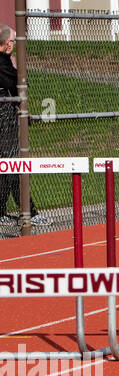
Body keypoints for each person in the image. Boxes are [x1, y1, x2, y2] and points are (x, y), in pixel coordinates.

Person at [0, 24, 47, 226]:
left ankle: (1, 210)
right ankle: (29, 212)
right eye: (10, 41)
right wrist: (17, 71)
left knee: (5, 164)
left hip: (7, 115)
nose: (12, 45)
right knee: (13, 163)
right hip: (4, 118)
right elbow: (18, 83)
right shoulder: (2, 61)